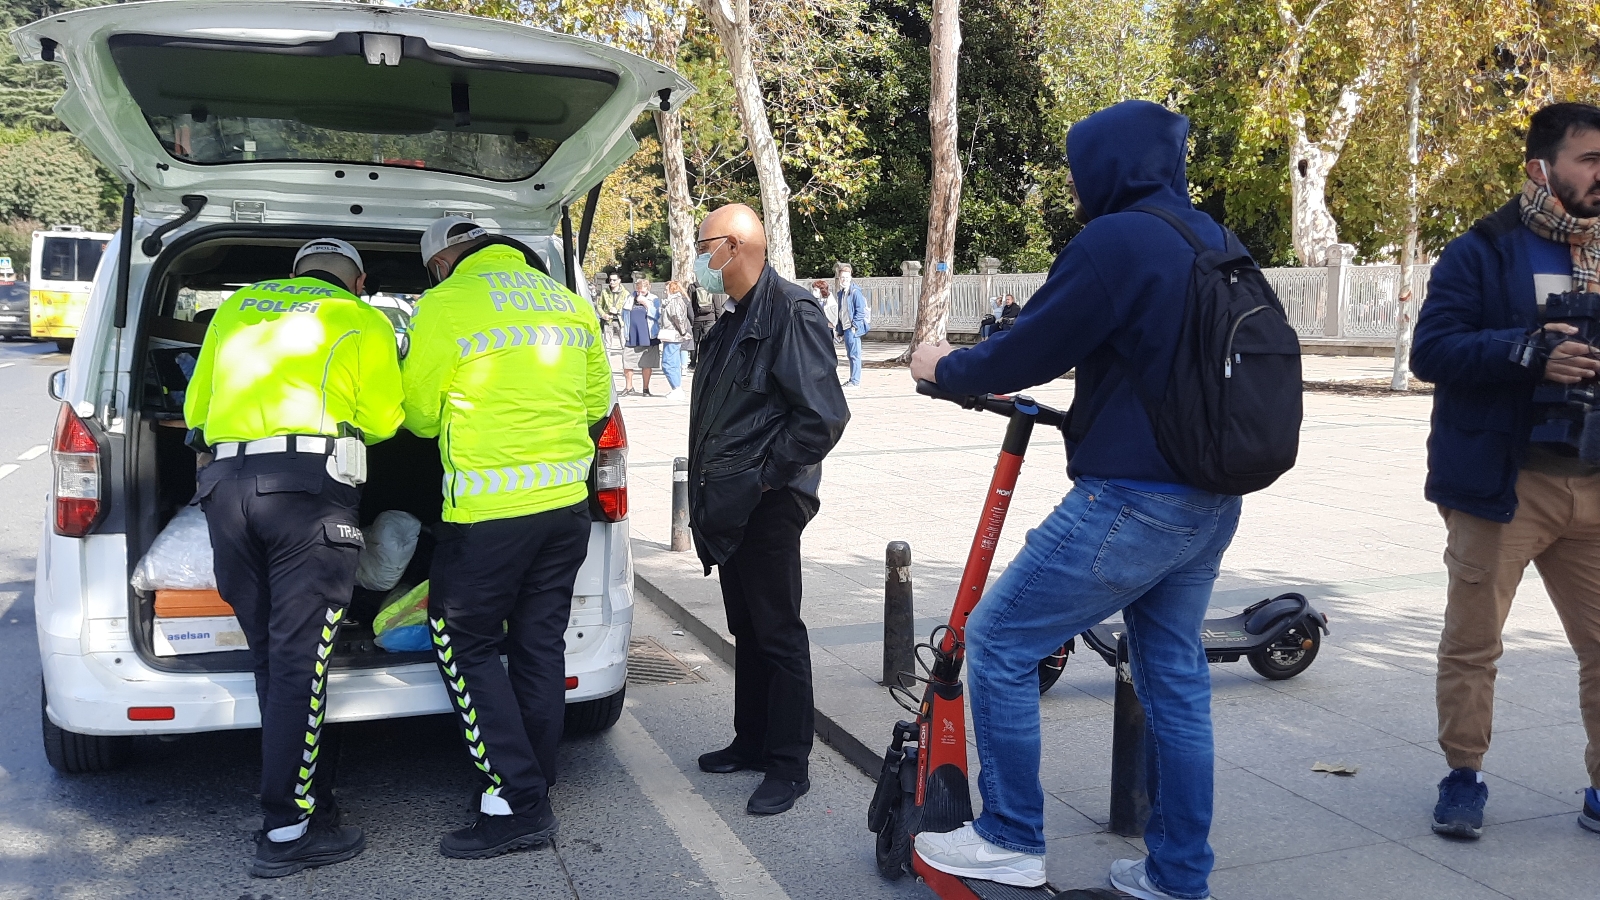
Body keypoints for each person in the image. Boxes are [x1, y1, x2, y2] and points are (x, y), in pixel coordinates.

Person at [908, 101, 1245, 900]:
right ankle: (1177, 876)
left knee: (998, 642)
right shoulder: (1215, 241)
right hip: (1211, 500)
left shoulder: (1116, 241)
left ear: (1109, 165)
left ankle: (1012, 837)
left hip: (1134, 500)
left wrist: (939, 368)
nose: (1074, 184)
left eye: (1077, 167)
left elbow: (1029, 349)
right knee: (1173, 679)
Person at [184, 238, 404, 877]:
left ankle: (309, 800)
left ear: (295, 274)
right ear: (357, 281)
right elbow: (386, 420)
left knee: (273, 659)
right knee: (300, 661)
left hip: (226, 493)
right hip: (306, 494)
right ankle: (286, 827)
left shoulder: (238, 309)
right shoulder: (360, 318)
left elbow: (197, 411)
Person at [1411, 101, 1600, 841]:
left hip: (1593, 482)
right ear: (1540, 168)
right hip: (1506, 484)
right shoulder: (1482, 250)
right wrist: (1526, 350)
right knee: (1473, 643)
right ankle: (1464, 776)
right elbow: (1434, 350)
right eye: (1589, 160)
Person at [402, 217, 613, 859]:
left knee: (460, 639)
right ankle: (534, 781)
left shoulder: (444, 305)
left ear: (442, 261)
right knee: (537, 643)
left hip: (489, 517)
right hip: (565, 510)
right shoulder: (572, 306)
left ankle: (517, 801)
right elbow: (595, 406)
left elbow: (416, 415)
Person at [688, 203, 849, 816]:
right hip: (733, 501)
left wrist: (762, 478)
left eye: (705, 246)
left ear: (736, 246)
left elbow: (822, 417)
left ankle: (788, 764)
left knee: (779, 633)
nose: (699, 259)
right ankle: (751, 741)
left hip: (767, 503)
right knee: (748, 628)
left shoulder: (791, 311)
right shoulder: (731, 318)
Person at [622, 278, 660, 396]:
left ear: (648, 289)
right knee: (627, 360)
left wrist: (646, 304)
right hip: (632, 335)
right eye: (638, 291)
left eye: (642, 291)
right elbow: (624, 314)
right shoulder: (630, 298)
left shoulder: (653, 299)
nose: (639, 294)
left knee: (647, 363)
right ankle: (629, 387)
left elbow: (658, 315)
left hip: (648, 335)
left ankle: (645, 388)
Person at [658, 279, 693, 402]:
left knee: (668, 363)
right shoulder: (674, 301)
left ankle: (676, 388)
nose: (664, 291)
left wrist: (683, 332)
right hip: (672, 335)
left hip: (673, 335)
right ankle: (676, 388)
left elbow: (678, 318)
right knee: (673, 363)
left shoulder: (674, 302)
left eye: (666, 289)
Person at [835, 263, 868, 387]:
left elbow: (860, 311)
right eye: (842, 278)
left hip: (852, 328)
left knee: (855, 355)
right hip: (845, 328)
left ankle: (855, 381)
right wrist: (840, 330)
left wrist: (854, 326)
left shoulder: (855, 292)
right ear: (839, 279)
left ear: (850, 278)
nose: (844, 280)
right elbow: (841, 312)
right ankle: (852, 379)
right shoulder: (841, 293)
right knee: (850, 354)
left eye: (847, 278)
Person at [689, 280, 716, 369]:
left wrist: (691, 319)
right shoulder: (711, 285)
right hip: (710, 318)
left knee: (695, 342)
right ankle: (704, 361)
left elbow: (690, 304)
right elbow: (717, 303)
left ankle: (692, 363)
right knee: (707, 340)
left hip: (697, 319)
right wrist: (718, 318)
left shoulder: (692, 287)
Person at [597, 273, 627, 350]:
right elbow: (599, 306)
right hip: (608, 320)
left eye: (614, 280)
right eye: (610, 280)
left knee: (624, 345)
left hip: (621, 321)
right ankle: (608, 361)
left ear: (619, 280)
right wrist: (603, 315)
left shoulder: (625, 293)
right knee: (607, 345)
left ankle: (624, 361)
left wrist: (617, 311)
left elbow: (628, 308)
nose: (612, 282)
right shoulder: (604, 292)